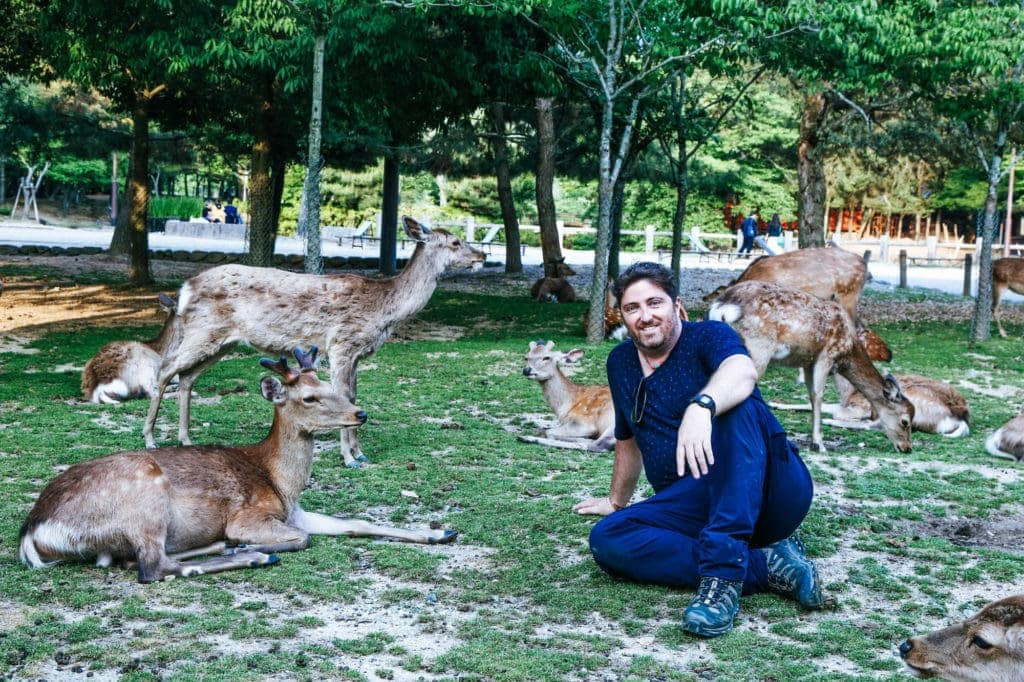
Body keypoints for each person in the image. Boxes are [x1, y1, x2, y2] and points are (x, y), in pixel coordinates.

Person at [572, 262, 823, 638]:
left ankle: (722, 577)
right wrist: (616, 501)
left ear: (678, 307)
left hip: (770, 489)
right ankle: (766, 565)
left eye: (655, 303)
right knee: (608, 539)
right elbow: (628, 437)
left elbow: (742, 371)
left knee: (738, 404)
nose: (645, 316)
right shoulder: (621, 362)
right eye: (632, 308)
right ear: (622, 316)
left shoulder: (708, 336)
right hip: (693, 503)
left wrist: (702, 405)